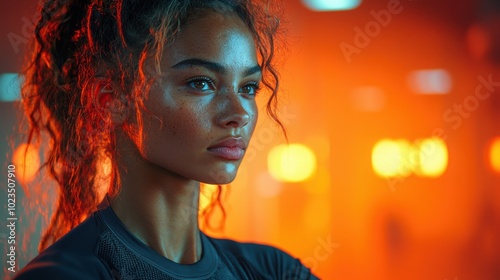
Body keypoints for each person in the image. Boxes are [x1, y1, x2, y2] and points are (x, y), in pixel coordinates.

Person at [14, 0, 318, 279]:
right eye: (201, 83)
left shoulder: (274, 271)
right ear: (110, 100)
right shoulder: (64, 275)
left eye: (249, 87)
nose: (240, 113)